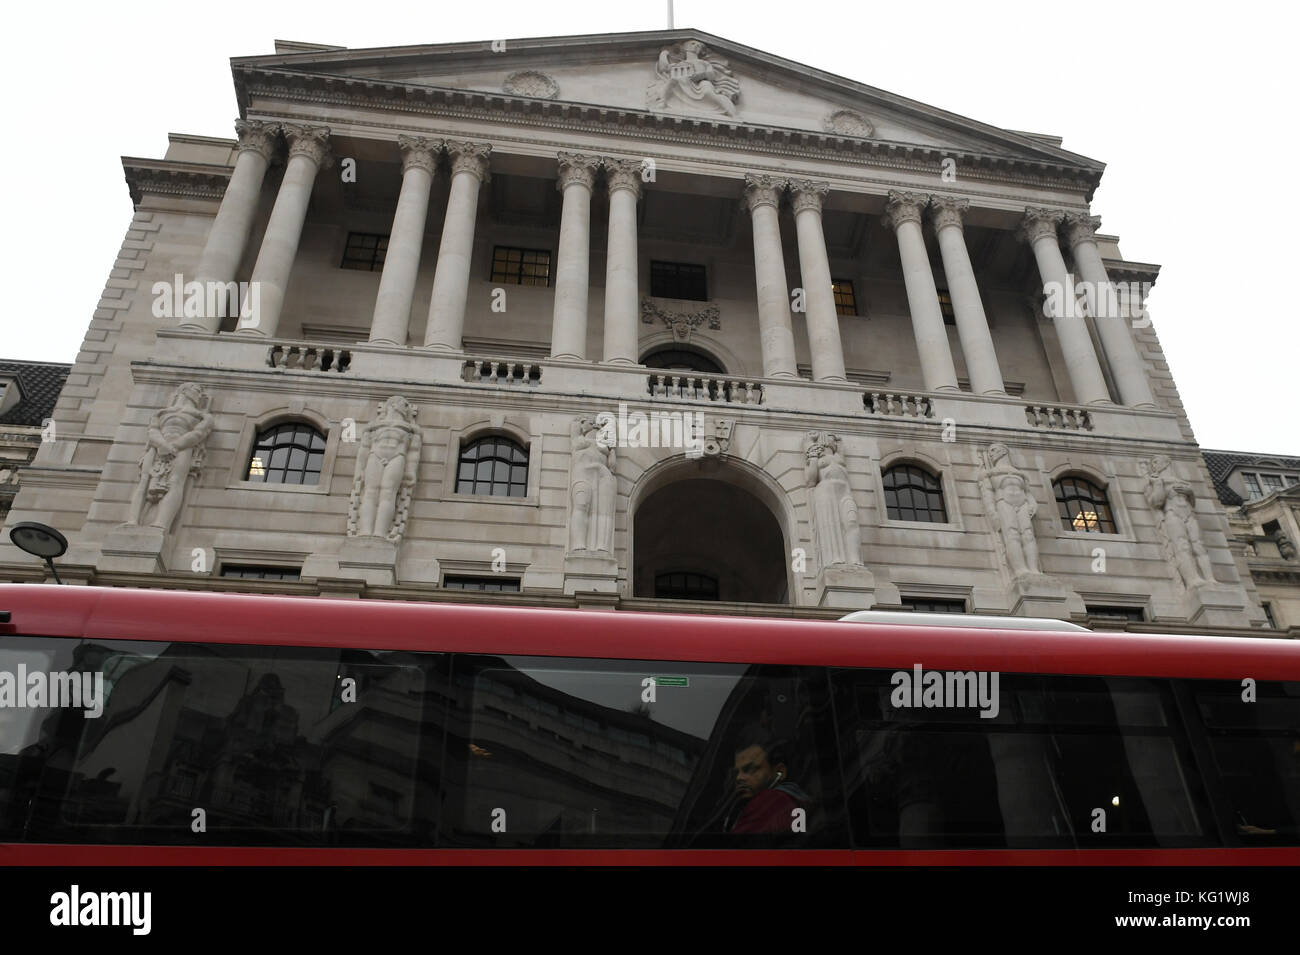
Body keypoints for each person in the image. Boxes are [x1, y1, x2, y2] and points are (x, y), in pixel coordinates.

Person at [724, 734, 810, 835]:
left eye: (750, 769)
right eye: (737, 772)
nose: (739, 778)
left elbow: (736, 847)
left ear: (780, 772)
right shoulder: (794, 800)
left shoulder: (771, 800)